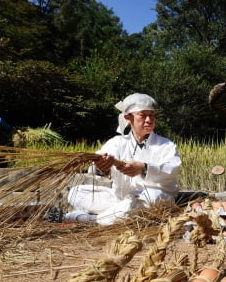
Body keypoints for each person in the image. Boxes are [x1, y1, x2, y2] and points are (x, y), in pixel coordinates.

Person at [56, 93, 182, 225]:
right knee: (76, 193)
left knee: (146, 199)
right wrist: (102, 167)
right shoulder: (116, 143)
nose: (149, 120)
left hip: (152, 199)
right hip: (120, 200)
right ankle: (117, 215)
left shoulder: (166, 145)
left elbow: (172, 169)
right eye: (143, 115)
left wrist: (143, 168)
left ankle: (91, 219)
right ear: (128, 118)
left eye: (152, 115)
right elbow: (97, 169)